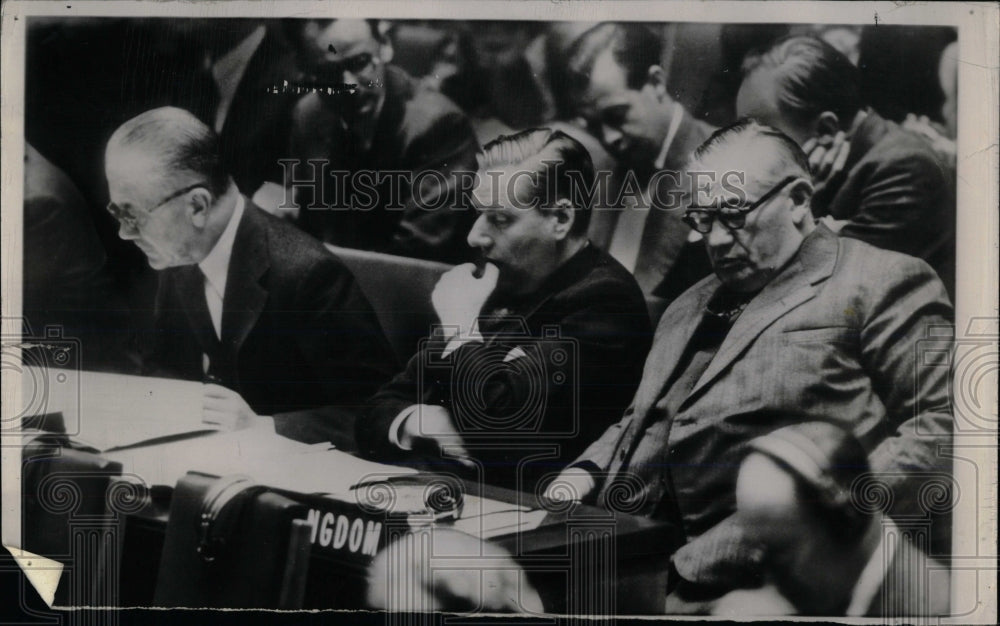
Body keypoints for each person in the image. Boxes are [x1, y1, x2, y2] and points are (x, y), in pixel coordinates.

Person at [545, 119, 953, 612]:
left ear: (799, 200)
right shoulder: (688, 305)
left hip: (748, 584)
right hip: (614, 556)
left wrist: (811, 527)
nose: (715, 241)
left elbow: (939, 434)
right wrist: (583, 473)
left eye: (733, 215)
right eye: (701, 220)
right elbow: (639, 419)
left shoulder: (881, 281)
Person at [357, 128, 652, 491]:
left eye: (499, 219)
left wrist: (463, 329)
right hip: (426, 488)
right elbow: (377, 409)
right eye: (479, 213)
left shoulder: (606, 303)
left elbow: (499, 428)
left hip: (514, 517)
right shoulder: (497, 280)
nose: (474, 236)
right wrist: (420, 420)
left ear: (560, 219)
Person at [104, 107, 397, 446]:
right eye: (116, 211)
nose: (124, 233)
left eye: (133, 214)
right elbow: (166, 368)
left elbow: (377, 412)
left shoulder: (310, 275)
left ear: (197, 206)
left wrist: (265, 426)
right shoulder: (180, 257)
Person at [736, 35, 956, 298]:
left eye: (761, 135)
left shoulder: (903, 169)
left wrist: (802, 201)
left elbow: (818, 293)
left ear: (826, 130)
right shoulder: (863, 157)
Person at [282, 18, 481, 263]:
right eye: (327, 73)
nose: (349, 85)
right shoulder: (309, 115)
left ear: (385, 45)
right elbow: (312, 227)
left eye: (360, 63)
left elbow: (416, 254)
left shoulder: (441, 126)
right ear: (305, 70)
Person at [715, 421, 950, 617]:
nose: (765, 579)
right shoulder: (831, 585)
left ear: (847, 524)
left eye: (779, 554)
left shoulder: (934, 611)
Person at [557, 22, 716, 299]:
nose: (608, 138)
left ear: (656, 82)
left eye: (617, 115)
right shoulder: (596, 170)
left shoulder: (724, 161)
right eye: (594, 125)